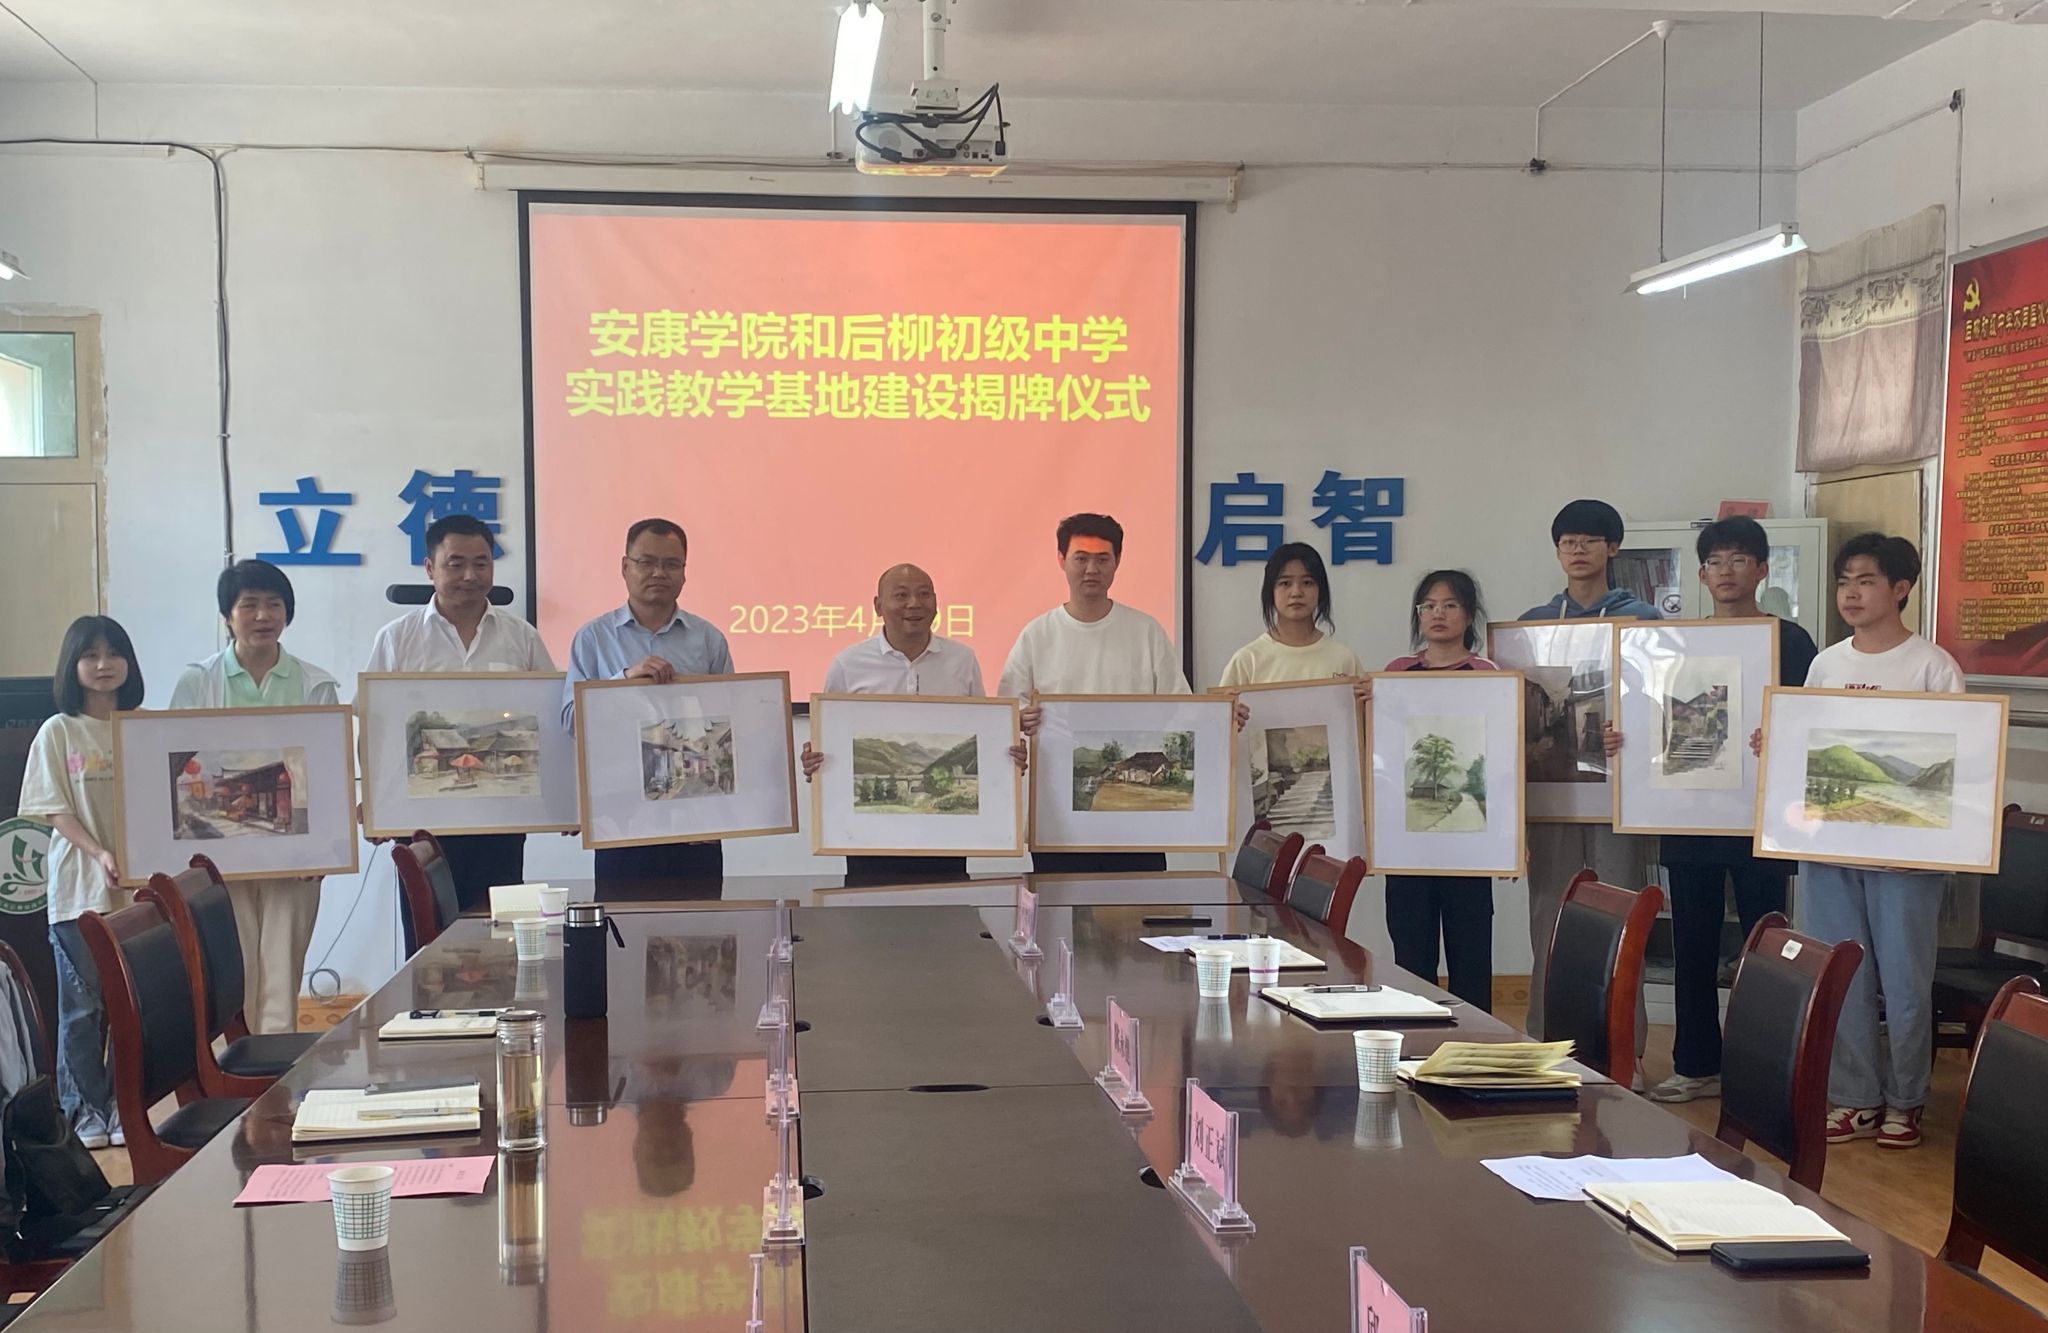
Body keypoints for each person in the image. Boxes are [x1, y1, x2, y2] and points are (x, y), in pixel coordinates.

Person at [1794, 533, 1963, 1150]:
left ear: (1900, 588)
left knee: (1905, 978)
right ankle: (1855, 1097)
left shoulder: (1932, 666)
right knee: (1843, 972)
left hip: (1908, 855)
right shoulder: (1826, 664)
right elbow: (1806, 742)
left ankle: (1906, 1101)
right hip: (1829, 845)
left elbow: (1961, 757)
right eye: (1844, 582)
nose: (1851, 593)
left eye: (1865, 581)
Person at [1645, 518, 1817, 1104]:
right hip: (1690, 813)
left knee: (1766, 947)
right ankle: (1696, 1064)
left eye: (1739, 559)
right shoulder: (1679, 641)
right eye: (1715, 562)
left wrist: (1782, 736)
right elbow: (1655, 716)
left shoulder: (1791, 641)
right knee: (1692, 946)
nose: (1727, 571)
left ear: (1762, 569)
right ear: (1700, 574)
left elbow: (1810, 721)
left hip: (1759, 817)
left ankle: (1765, 1070)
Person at [168, 561, 341, 1036]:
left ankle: (276, 1068)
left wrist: (324, 848)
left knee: (283, 968)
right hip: (218, 856)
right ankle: (232, 1064)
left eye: (274, 604)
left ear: (287, 613)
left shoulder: (316, 684)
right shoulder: (197, 682)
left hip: (296, 856)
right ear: (228, 615)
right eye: (249, 605)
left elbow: (330, 772)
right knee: (231, 968)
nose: (263, 615)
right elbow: (177, 767)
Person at [1517, 499, 1661, 1053]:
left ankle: (1625, 1052)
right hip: (1552, 798)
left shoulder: (1642, 621)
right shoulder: (1533, 625)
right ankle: (1544, 1042)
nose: (1577, 551)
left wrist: (1635, 733)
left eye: (1589, 540)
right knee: (1548, 920)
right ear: (1557, 551)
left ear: (1613, 547)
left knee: (1622, 920)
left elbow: (1662, 704)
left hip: (1619, 797)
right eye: (1567, 542)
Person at [365, 514, 555, 911]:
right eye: (456, 564)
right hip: (420, 822)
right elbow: (374, 727)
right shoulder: (397, 639)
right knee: (427, 931)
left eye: (481, 563)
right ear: (430, 568)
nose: (470, 575)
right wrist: (374, 800)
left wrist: (565, 798)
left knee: (500, 928)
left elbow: (549, 722)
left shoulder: (522, 638)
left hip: (501, 820)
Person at [801, 563, 1027, 885]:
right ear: (878, 606)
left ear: (936, 603)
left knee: (947, 909)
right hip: (867, 838)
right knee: (867, 910)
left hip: (948, 835)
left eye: (924, 594)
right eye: (901, 595)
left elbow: (984, 734)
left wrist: (1006, 759)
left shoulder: (962, 660)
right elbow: (829, 740)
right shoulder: (848, 665)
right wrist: (817, 760)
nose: (914, 604)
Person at [999, 513, 1189, 873]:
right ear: (1061, 560)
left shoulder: (1145, 631)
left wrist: (1221, 720)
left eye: (1102, 559)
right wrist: (1020, 721)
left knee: (1141, 904)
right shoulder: (1037, 635)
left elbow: (1180, 708)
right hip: (1057, 818)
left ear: (1117, 561)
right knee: (1059, 905)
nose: (1091, 569)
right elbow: (1008, 711)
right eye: (1081, 558)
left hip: (1138, 824)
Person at [19, 616, 145, 1149]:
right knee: (83, 1008)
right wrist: (99, 852)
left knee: (136, 1004)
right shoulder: (59, 730)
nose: (103, 664)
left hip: (140, 891)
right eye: (90, 654)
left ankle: (125, 1108)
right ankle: (86, 1112)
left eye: (114, 653)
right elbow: (53, 809)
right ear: (72, 665)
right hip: (80, 888)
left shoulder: (144, 727)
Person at [565, 518, 734, 886]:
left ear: (684, 573)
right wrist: (624, 680)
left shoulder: (708, 640)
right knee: (623, 918)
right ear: (625, 567)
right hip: (621, 819)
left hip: (696, 820)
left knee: (702, 919)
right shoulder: (593, 639)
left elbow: (730, 725)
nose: (659, 573)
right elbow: (572, 720)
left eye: (671, 564)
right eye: (647, 562)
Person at [1368, 570, 1498, 1011]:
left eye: (1450, 605)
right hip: (1406, 849)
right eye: (1428, 606)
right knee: (1411, 961)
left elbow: (1503, 761)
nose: (1438, 614)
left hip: (1470, 851)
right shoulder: (1395, 674)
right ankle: (1415, 1046)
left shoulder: (1488, 675)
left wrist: (1511, 837)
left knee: (1471, 962)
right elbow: (1380, 754)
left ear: (1469, 615)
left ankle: (1476, 1045)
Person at [1217, 544, 1362, 686]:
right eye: (1285, 583)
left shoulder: (1344, 659)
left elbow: (1365, 700)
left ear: (1320, 590)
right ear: (1271, 591)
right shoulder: (1247, 660)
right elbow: (1222, 702)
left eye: (1307, 583)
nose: (1296, 593)